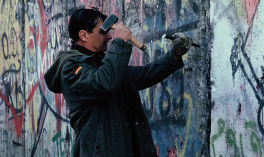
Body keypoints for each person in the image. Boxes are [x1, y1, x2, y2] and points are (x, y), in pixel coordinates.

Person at [44, 8, 192, 156]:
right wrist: (120, 42)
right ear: (83, 35)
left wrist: (174, 55)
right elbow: (103, 83)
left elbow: (143, 75)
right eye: (103, 31)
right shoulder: (70, 69)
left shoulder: (103, 63)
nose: (109, 36)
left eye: (109, 31)